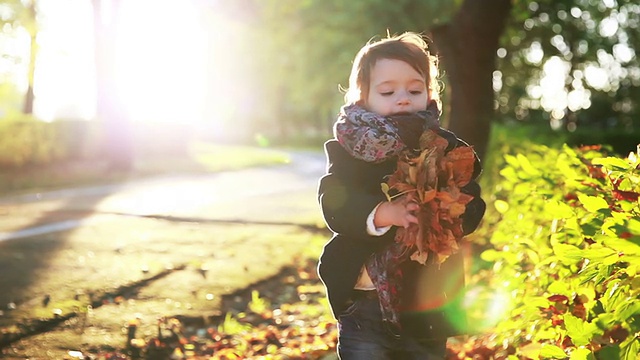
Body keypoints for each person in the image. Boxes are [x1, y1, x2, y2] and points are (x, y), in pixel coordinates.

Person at [317, 32, 486, 360]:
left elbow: (472, 196)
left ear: (429, 92)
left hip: (426, 301)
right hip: (364, 300)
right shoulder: (350, 148)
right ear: (363, 97)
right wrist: (382, 213)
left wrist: (451, 211)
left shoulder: (444, 146)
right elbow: (333, 199)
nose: (403, 98)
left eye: (414, 89)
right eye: (388, 91)